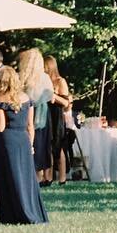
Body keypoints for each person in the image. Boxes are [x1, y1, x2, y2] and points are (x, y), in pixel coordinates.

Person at [0, 65, 48, 226]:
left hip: (7, 141)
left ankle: (12, 214)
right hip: (23, 140)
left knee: (9, 176)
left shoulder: (0, 101)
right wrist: (30, 145)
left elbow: (0, 126)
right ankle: (31, 210)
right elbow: (31, 126)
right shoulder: (25, 98)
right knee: (25, 177)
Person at [17, 48, 55, 185]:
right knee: (41, 144)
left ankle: (30, 173)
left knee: (29, 142)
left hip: (26, 112)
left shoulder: (22, 78)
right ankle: (40, 175)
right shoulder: (44, 77)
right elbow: (50, 96)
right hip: (42, 115)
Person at [44, 55, 73, 184]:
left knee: (59, 146)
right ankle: (48, 176)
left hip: (57, 116)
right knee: (47, 146)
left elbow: (66, 103)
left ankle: (62, 177)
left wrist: (54, 95)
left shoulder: (60, 81)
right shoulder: (42, 81)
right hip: (45, 114)